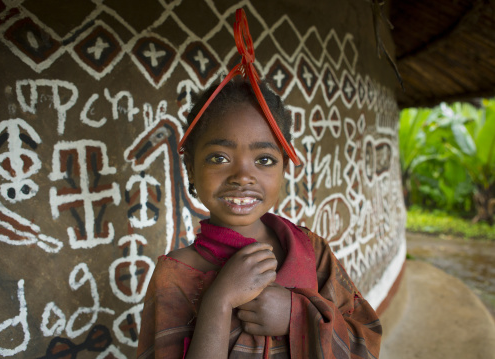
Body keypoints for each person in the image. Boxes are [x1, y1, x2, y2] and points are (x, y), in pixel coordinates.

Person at [136, 78, 382, 359]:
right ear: (191, 169)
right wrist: (219, 301)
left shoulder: (311, 251)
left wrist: (296, 315)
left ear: (283, 168)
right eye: (219, 158)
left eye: (264, 160)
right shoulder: (176, 275)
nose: (242, 176)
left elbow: (366, 342)